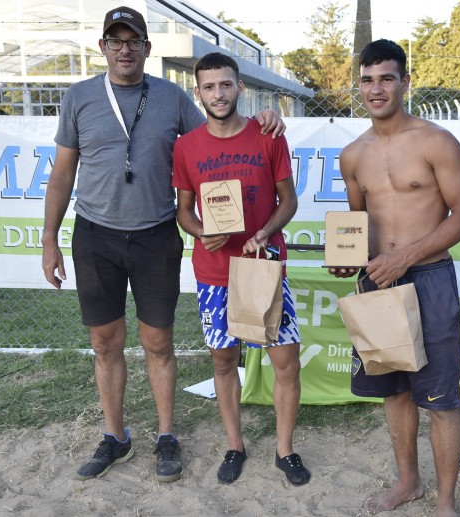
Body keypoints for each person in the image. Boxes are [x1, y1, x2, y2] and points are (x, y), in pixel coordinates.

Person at [41, 6, 285, 483]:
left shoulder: (172, 97)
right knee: (104, 342)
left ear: (148, 48)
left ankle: (166, 436)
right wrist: (50, 239)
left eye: (134, 41)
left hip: (155, 234)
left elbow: (220, 130)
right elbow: (61, 175)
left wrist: (266, 118)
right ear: (104, 48)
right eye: (116, 41)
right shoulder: (80, 97)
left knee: (158, 342)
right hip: (95, 234)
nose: (125, 49)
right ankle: (116, 437)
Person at [330, 40, 460, 516]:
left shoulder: (435, 141)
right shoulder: (353, 154)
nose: (377, 89)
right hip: (378, 283)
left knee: (440, 397)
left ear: (405, 82)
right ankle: (408, 482)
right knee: (393, 390)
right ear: (360, 86)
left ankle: (445, 502)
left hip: (429, 278)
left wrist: (407, 256)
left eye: (387, 78)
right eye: (368, 80)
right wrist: (347, 257)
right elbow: (359, 223)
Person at [171, 52, 310, 487]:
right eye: (209, 87)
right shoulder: (186, 145)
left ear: (240, 87)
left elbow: (288, 201)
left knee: (285, 361)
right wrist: (199, 232)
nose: (218, 94)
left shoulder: (267, 135)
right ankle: (235, 445)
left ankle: (285, 450)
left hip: (261, 268)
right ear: (199, 93)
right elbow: (184, 211)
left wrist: (267, 231)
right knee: (224, 360)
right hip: (214, 272)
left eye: (225, 85)